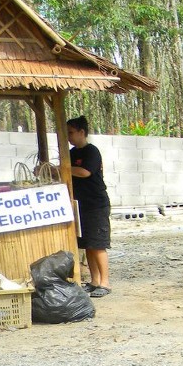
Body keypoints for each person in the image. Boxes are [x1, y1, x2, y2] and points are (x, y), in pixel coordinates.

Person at [66, 116, 112, 298]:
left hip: (96, 204)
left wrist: (62, 168)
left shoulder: (91, 151)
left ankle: (105, 283)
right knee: (88, 245)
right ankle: (94, 281)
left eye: (71, 132)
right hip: (81, 205)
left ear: (81, 132)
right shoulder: (71, 153)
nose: (68, 136)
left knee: (98, 244)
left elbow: (84, 172)